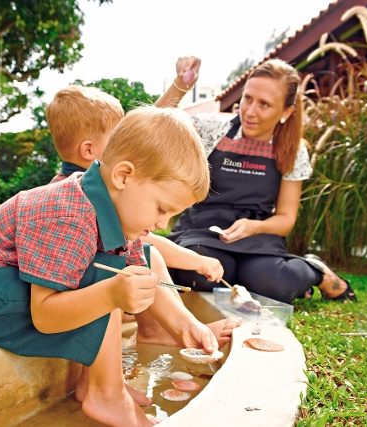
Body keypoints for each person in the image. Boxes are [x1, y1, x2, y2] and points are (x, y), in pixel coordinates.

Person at [0, 106, 220, 427]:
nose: (162, 223)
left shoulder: (116, 215)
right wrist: (113, 294)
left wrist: (187, 327)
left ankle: (100, 383)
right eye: (161, 208)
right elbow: (45, 315)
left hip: (14, 293)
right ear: (123, 176)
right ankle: (106, 393)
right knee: (107, 282)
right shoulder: (68, 213)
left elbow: (145, 280)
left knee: (113, 277)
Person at [45, 58, 241, 347]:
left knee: (144, 255)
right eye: (117, 137)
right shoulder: (75, 195)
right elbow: (147, 243)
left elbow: (137, 242)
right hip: (62, 297)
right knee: (148, 255)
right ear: (89, 150)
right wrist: (196, 260)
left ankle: (161, 329)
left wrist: (178, 88)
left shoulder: (95, 185)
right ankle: (157, 331)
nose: (127, 141)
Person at [168, 58, 357, 304]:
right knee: (200, 276)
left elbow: (286, 219)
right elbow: (151, 126)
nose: (250, 111)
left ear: (286, 112)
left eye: (264, 104)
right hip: (202, 232)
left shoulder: (292, 149)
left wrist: (254, 227)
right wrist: (179, 86)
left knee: (270, 283)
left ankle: (316, 270)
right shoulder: (211, 128)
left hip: (258, 238)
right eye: (247, 99)